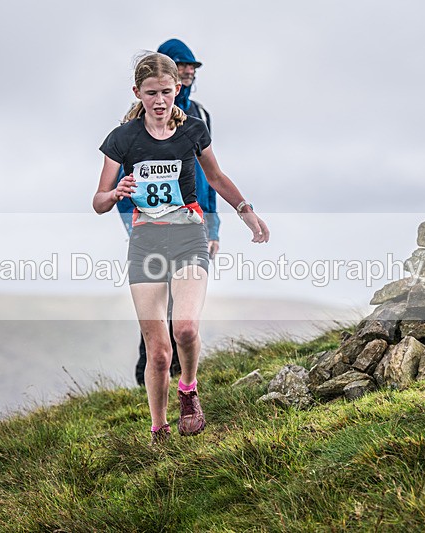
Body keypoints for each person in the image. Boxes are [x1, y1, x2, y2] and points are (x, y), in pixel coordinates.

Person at [94, 52, 269, 443]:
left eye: (167, 92)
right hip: (146, 242)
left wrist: (247, 212)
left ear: (178, 89)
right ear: (138, 92)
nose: (160, 101)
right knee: (157, 353)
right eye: (152, 93)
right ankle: (159, 430)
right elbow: (98, 200)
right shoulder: (122, 139)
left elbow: (217, 176)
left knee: (185, 328)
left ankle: (188, 391)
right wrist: (114, 192)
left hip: (189, 235)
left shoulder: (192, 130)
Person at [117, 38, 220, 387]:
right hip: (151, 225)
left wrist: (214, 226)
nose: (190, 71)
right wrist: (136, 228)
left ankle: (179, 374)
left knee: (185, 302)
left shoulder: (199, 116)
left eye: (193, 66)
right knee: (157, 301)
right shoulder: (138, 121)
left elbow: (210, 175)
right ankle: (149, 368)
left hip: (194, 222)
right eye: (183, 65)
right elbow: (123, 182)